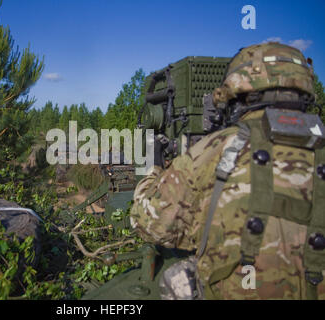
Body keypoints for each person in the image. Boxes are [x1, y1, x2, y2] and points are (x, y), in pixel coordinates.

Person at [130, 42, 325, 299]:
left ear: (237, 90)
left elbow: (149, 223)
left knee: (175, 279)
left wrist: (152, 175)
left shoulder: (216, 149)